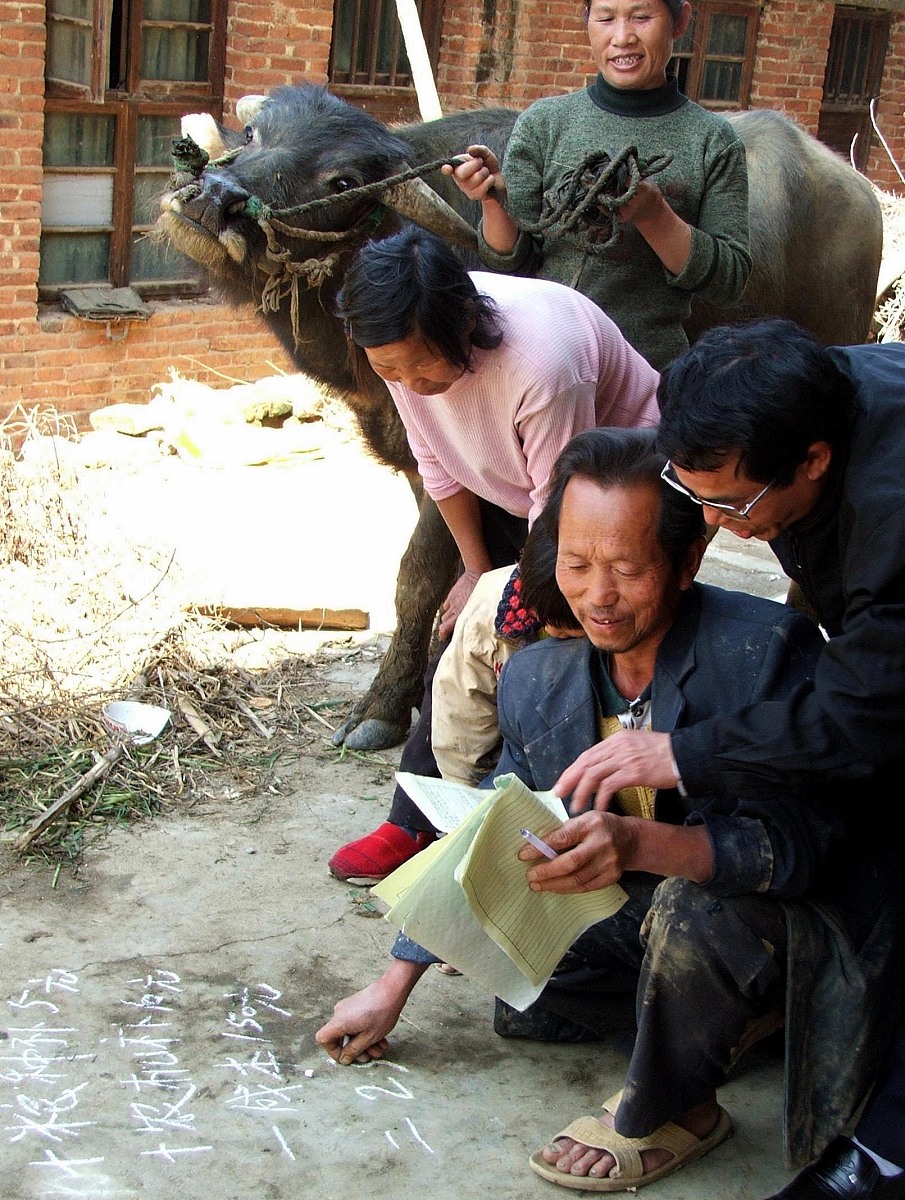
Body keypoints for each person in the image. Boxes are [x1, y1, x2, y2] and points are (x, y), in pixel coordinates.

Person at [315, 428, 901, 1192]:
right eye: (577, 564)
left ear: (686, 561)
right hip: (646, 914)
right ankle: (719, 1022)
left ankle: (679, 1106)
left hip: (768, 916)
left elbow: (796, 850)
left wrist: (635, 843)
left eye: (626, 568)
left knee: (693, 916)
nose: (597, 595)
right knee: (510, 957)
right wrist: (393, 984)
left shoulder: (764, 651)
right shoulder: (538, 679)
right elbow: (504, 824)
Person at [550, 321, 905, 1198]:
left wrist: (685, 751)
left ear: (814, 461)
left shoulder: (893, 526)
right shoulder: (806, 393)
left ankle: (887, 1150)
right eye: (691, 492)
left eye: (732, 506)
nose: (709, 523)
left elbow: (856, 718)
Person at [328, 226, 659, 883]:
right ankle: (414, 819)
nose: (405, 382)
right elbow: (436, 465)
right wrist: (475, 570)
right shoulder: (396, 346)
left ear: (462, 328)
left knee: (536, 659)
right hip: (518, 487)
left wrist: (512, 607)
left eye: (418, 366)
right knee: (456, 640)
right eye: (387, 368)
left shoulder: (542, 366)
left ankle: (504, 844)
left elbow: (557, 504)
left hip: (611, 484)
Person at [444, 0, 751, 371]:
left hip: (645, 368)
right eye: (605, 18)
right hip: (543, 360)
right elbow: (511, 261)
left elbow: (729, 282)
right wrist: (492, 201)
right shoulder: (544, 124)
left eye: (641, 17)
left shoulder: (712, 140)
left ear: (680, 20)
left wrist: (654, 215)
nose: (622, 37)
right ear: (587, 20)